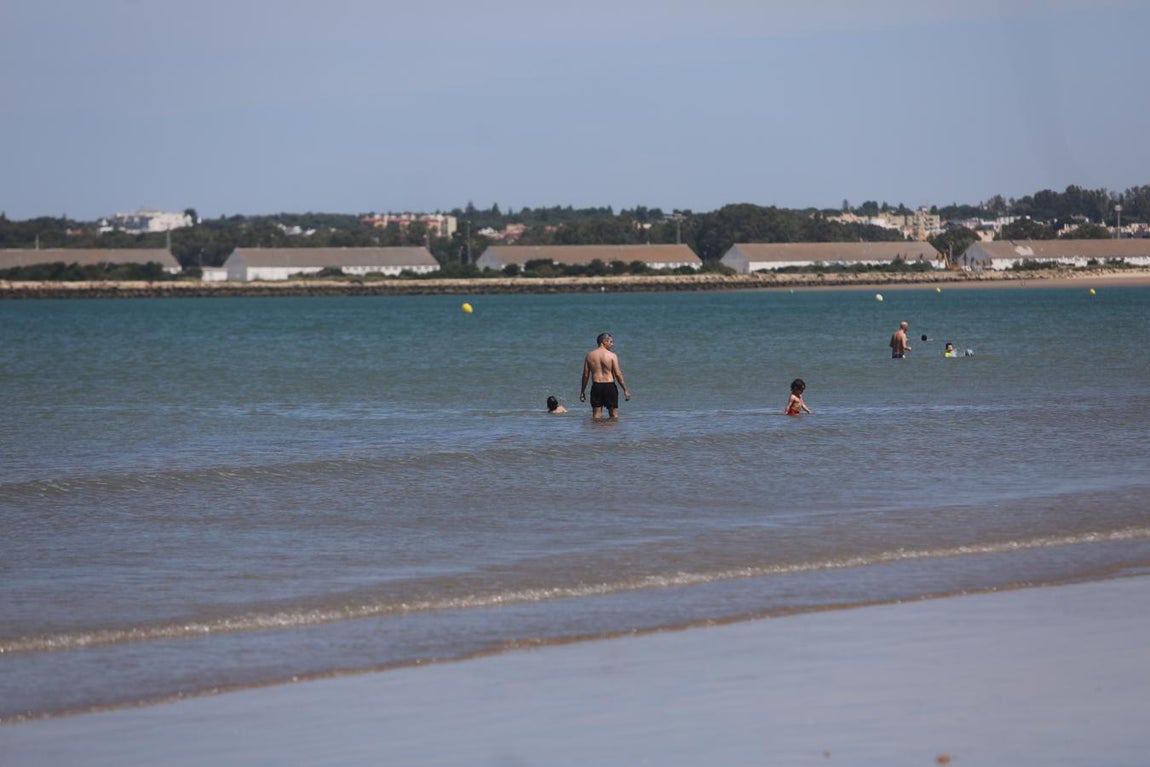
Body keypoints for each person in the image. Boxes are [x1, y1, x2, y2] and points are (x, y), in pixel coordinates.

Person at [580, 332, 631, 419]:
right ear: (604, 341)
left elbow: (585, 375)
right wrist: (625, 389)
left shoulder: (589, 355)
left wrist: (582, 391)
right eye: (611, 342)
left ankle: (596, 432)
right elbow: (618, 374)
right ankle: (612, 432)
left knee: (596, 416)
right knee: (614, 415)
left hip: (596, 387)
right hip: (609, 386)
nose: (612, 344)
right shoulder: (612, 355)